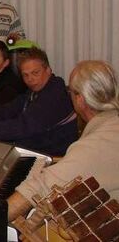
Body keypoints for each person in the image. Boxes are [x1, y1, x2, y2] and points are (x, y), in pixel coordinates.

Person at [8, 60, 119, 221]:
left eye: (71, 92)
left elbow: (37, 189)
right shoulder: (110, 125)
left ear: (80, 99)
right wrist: (55, 161)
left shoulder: (96, 144)